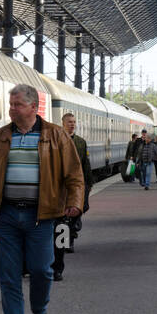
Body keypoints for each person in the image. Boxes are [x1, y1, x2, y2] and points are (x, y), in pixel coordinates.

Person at [0, 85, 84, 314]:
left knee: (41, 270)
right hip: (6, 215)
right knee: (9, 275)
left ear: (33, 107)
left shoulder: (56, 136)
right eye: (10, 104)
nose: (11, 109)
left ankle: (39, 309)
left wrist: (74, 202)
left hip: (41, 216)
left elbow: (75, 175)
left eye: (17, 104)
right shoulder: (0, 137)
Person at [53, 113, 93, 281]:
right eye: (69, 122)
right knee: (57, 228)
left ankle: (58, 267)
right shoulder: (54, 141)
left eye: (74, 122)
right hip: (57, 193)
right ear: (62, 123)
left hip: (74, 190)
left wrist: (86, 188)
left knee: (65, 225)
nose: (72, 125)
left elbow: (85, 167)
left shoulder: (80, 143)